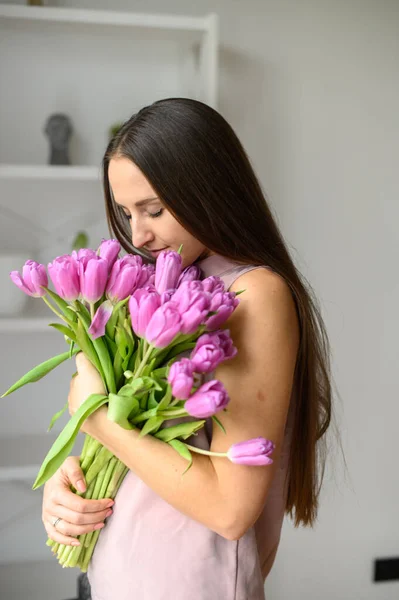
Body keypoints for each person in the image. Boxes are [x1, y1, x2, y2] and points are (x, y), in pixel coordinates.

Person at [42, 98, 334, 599]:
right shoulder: (162, 279)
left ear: (209, 190)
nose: (138, 234)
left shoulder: (253, 294)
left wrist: (94, 416)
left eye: (154, 209)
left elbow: (229, 508)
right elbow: (136, 451)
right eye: (126, 212)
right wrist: (67, 490)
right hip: (107, 576)